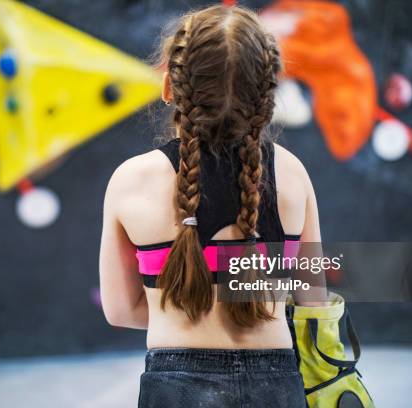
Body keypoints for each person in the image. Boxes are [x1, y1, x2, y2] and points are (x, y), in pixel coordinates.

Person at [99, 5, 324, 407]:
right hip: (277, 385)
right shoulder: (292, 173)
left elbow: (119, 310)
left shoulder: (130, 181)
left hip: (174, 386)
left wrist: (190, 308)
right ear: (267, 94)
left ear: (169, 87)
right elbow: (313, 299)